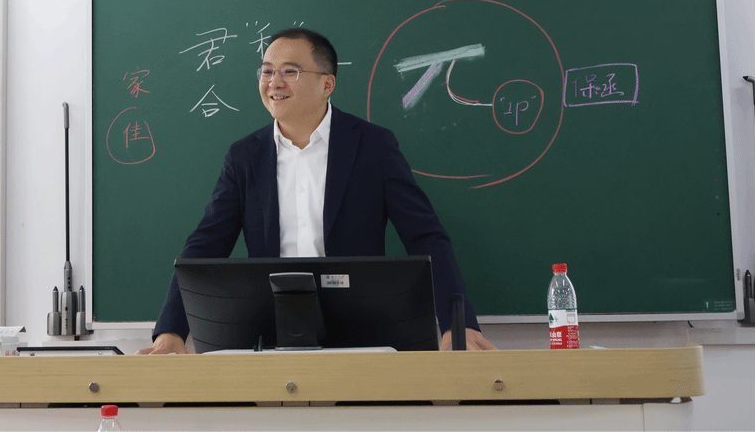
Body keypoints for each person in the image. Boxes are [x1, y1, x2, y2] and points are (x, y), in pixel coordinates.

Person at [137, 28, 495, 354]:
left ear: (327, 84)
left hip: (363, 338)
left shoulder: (373, 147)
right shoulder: (244, 157)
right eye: (266, 71)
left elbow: (425, 236)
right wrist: (170, 332)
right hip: (269, 339)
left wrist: (458, 325)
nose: (274, 82)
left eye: (290, 71)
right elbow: (205, 247)